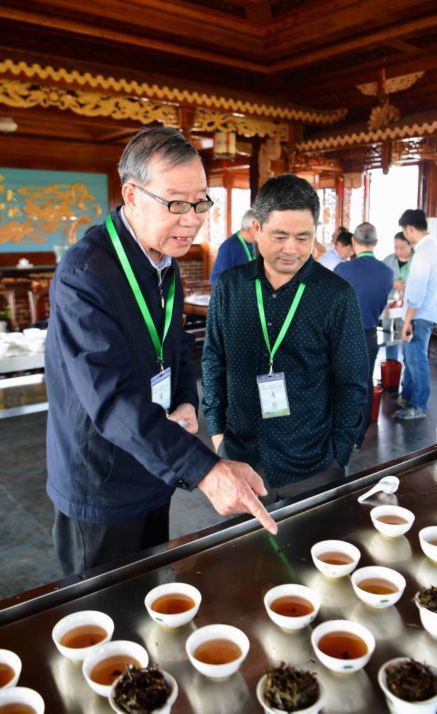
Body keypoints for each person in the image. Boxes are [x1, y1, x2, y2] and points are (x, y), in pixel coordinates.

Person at [45, 127, 276, 576]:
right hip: (102, 481)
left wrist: (186, 399)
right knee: (104, 619)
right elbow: (111, 400)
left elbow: (175, 344)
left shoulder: (162, 259)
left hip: (156, 463)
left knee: (148, 591)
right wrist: (206, 470)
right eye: (176, 203)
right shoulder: (85, 275)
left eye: (201, 203)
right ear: (132, 195)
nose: (192, 219)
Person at [202, 174, 368, 497]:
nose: (291, 249)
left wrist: (340, 451)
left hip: (312, 464)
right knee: (244, 547)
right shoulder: (230, 287)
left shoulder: (336, 295)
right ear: (257, 230)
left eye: (303, 237)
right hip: (240, 459)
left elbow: (352, 381)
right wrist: (217, 431)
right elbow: (213, 359)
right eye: (280, 236)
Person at [335, 223, 393, 447]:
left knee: (341, 384)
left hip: (344, 336)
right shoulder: (387, 273)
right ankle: (358, 437)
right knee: (365, 384)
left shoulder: (342, 270)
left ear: (354, 243)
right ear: (376, 243)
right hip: (369, 334)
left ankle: (340, 433)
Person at [394, 208, 437, 420]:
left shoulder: (424, 252)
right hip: (426, 312)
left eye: (404, 232)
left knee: (416, 360)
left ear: (410, 229)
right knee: (412, 358)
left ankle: (418, 405)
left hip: (419, 314)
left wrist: (407, 320)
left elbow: (417, 292)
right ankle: (408, 397)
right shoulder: (433, 247)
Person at [382, 231, 413, 361]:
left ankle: (408, 377)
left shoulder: (417, 261)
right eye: (396, 247)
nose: (398, 251)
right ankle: (391, 372)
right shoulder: (388, 260)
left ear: (410, 245)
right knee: (391, 340)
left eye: (402, 248)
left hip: (411, 308)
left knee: (410, 341)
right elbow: (379, 279)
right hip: (391, 306)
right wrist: (393, 283)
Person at [210, 209, 257, 287]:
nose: (261, 232)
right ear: (249, 230)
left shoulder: (255, 244)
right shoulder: (228, 247)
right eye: (257, 228)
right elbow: (215, 279)